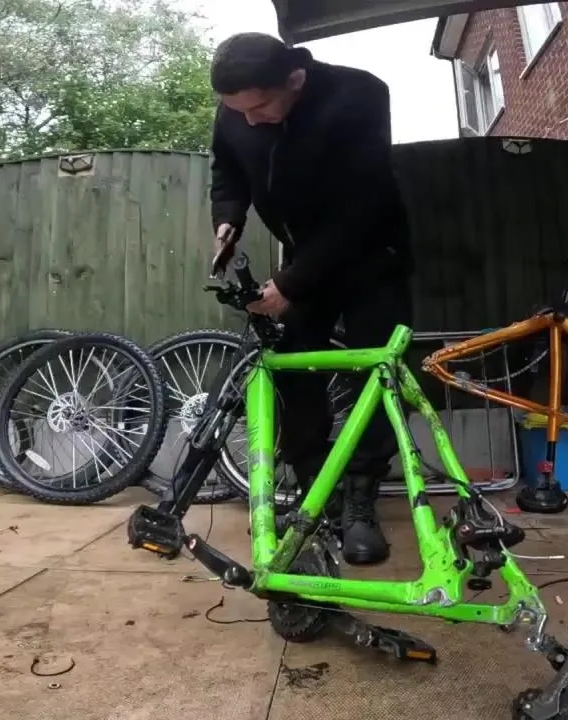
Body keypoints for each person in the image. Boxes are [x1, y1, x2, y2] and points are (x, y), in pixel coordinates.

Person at [207, 32, 414, 566]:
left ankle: (361, 499)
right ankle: (315, 492)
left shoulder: (359, 95)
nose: (248, 121)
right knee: (293, 367)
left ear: (294, 79)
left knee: (375, 373)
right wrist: (228, 219)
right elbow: (227, 169)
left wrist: (291, 284)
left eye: (259, 108)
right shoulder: (236, 109)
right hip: (303, 260)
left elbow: (363, 205)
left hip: (372, 254)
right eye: (237, 111)